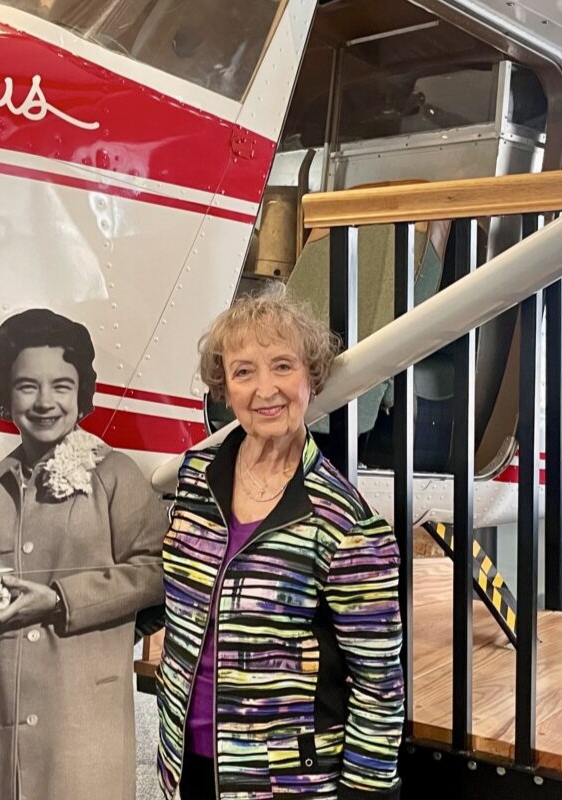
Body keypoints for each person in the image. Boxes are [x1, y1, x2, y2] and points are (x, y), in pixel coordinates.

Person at [156, 285, 404, 800]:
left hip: (284, 782)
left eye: (283, 366)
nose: (265, 389)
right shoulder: (196, 477)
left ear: (311, 377)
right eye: (244, 371)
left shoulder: (347, 524)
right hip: (186, 762)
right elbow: (178, 597)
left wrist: (366, 795)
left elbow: (379, 687)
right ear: (224, 388)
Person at [0, 308, 166, 800]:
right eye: (26, 386)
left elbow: (157, 571)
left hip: (83, 729)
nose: (44, 402)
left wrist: (59, 599)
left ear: (81, 393)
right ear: (5, 393)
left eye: (61, 385)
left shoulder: (117, 478)